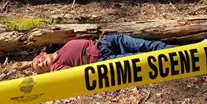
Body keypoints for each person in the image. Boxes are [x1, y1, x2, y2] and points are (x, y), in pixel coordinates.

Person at [31, 35, 173, 73]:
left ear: (42, 54)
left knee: (146, 45)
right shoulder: (56, 67)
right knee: (143, 59)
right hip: (103, 60)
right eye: (40, 68)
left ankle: (185, 49)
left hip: (106, 42)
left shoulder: (59, 50)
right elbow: (71, 73)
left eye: (38, 60)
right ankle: (176, 59)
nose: (41, 63)